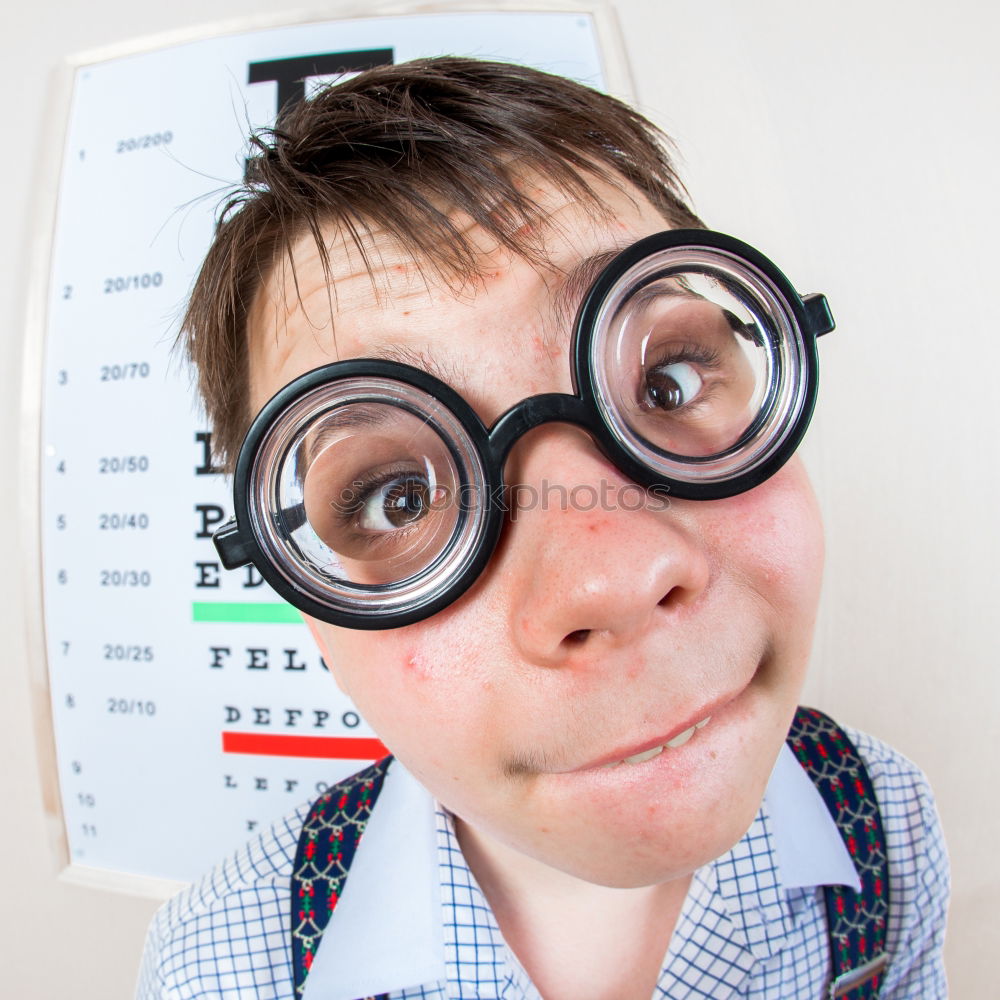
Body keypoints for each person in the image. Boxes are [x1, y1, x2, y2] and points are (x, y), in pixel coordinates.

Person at [136, 57, 948, 999]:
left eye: (666, 382)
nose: (615, 578)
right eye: (401, 497)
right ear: (318, 617)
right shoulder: (224, 969)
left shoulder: (887, 823)